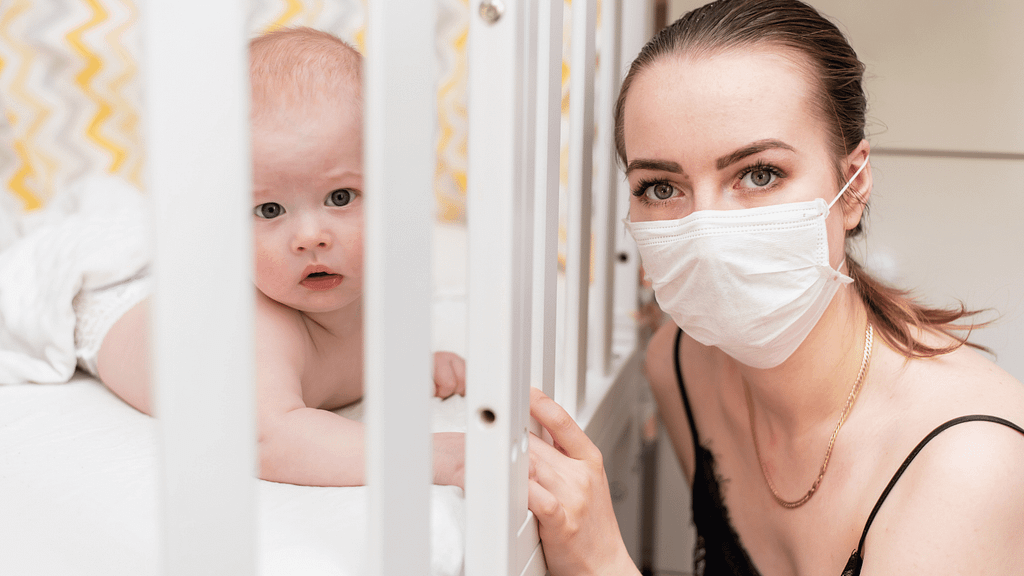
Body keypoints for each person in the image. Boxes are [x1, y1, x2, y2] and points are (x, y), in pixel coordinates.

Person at [527, 1, 1024, 574]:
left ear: (853, 184)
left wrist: (599, 561)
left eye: (759, 174)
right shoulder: (681, 369)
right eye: (661, 188)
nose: (706, 233)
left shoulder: (969, 465)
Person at [81, 27, 466, 488]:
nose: (309, 237)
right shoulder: (261, 332)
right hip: (114, 299)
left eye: (341, 196)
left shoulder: (390, 289)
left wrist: (414, 362)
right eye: (269, 209)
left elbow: (363, 353)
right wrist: (437, 457)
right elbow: (271, 439)